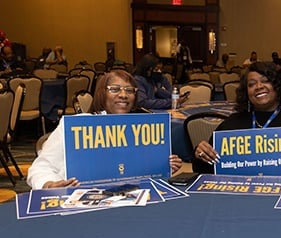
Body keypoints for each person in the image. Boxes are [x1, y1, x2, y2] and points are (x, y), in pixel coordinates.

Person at [27, 70, 183, 189]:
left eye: (129, 91)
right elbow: (40, 168)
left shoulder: (143, 129)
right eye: (115, 89)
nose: (123, 95)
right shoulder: (78, 126)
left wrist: (164, 165)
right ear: (102, 93)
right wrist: (49, 184)